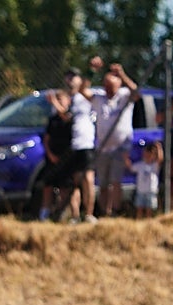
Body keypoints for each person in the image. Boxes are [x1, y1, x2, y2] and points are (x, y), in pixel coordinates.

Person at [90, 58, 139, 218]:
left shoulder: (125, 96)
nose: (108, 89)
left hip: (120, 147)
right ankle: (105, 212)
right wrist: (92, 71)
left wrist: (122, 74)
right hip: (103, 146)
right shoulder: (100, 98)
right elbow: (84, 92)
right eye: (106, 85)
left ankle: (116, 212)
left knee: (116, 180)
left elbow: (137, 92)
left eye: (111, 85)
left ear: (118, 85)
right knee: (103, 182)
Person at [61, 67, 97, 223]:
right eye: (68, 77)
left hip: (86, 143)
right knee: (74, 181)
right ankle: (75, 215)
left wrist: (91, 71)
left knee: (88, 179)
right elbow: (65, 118)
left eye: (73, 77)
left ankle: (89, 214)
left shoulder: (84, 95)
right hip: (72, 145)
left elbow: (84, 87)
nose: (70, 80)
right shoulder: (68, 99)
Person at [38, 90, 76, 221]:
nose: (58, 102)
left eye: (61, 99)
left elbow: (65, 116)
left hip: (66, 159)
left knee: (65, 187)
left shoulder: (71, 117)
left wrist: (53, 101)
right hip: (52, 158)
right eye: (57, 99)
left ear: (68, 101)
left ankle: (67, 214)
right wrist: (50, 154)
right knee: (48, 185)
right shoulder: (52, 120)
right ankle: (44, 214)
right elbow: (47, 139)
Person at [131, 141, 162, 219]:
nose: (147, 156)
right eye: (146, 154)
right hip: (140, 191)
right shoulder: (140, 165)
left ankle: (149, 224)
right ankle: (138, 224)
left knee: (149, 211)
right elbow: (131, 167)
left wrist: (159, 148)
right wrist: (125, 157)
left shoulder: (154, 166)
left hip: (150, 192)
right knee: (139, 210)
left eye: (150, 154)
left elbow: (160, 159)